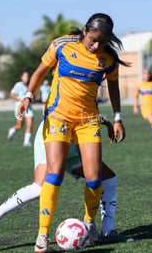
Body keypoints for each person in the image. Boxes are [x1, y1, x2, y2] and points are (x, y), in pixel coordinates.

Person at [18, 13, 130, 252]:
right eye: (93, 39)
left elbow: (113, 87)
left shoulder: (108, 59)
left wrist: (117, 118)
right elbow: (40, 72)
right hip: (58, 116)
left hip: (88, 120)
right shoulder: (62, 45)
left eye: (102, 41)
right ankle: (42, 235)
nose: (96, 45)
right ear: (85, 30)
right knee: (55, 174)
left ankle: (89, 226)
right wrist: (28, 96)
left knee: (94, 177)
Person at [0, 119, 134, 245]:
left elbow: (88, 108)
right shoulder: (64, 83)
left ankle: (107, 231)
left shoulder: (95, 81)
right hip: (54, 132)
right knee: (40, 187)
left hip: (77, 137)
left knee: (107, 178)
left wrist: (107, 121)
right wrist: (28, 95)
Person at [7, 72, 34, 147]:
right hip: (19, 107)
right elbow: (11, 94)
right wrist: (19, 98)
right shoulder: (18, 85)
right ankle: (12, 130)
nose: (27, 78)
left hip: (29, 107)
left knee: (30, 124)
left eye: (28, 77)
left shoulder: (31, 85)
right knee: (20, 126)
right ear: (21, 77)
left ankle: (26, 142)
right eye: (25, 77)